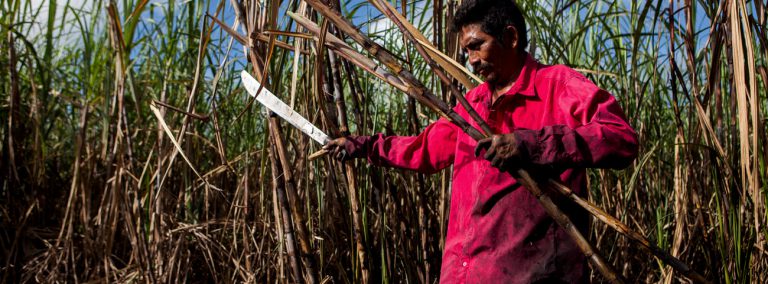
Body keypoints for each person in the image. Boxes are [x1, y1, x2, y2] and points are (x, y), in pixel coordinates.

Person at [323, 0, 638, 282]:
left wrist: (533, 145)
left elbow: (620, 138)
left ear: (511, 38)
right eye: (466, 51)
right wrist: (362, 145)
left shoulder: (558, 85)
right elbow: (422, 150)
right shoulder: (471, 107)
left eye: (477, 46)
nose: (470, 60)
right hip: (464, 274)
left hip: (534, 274)